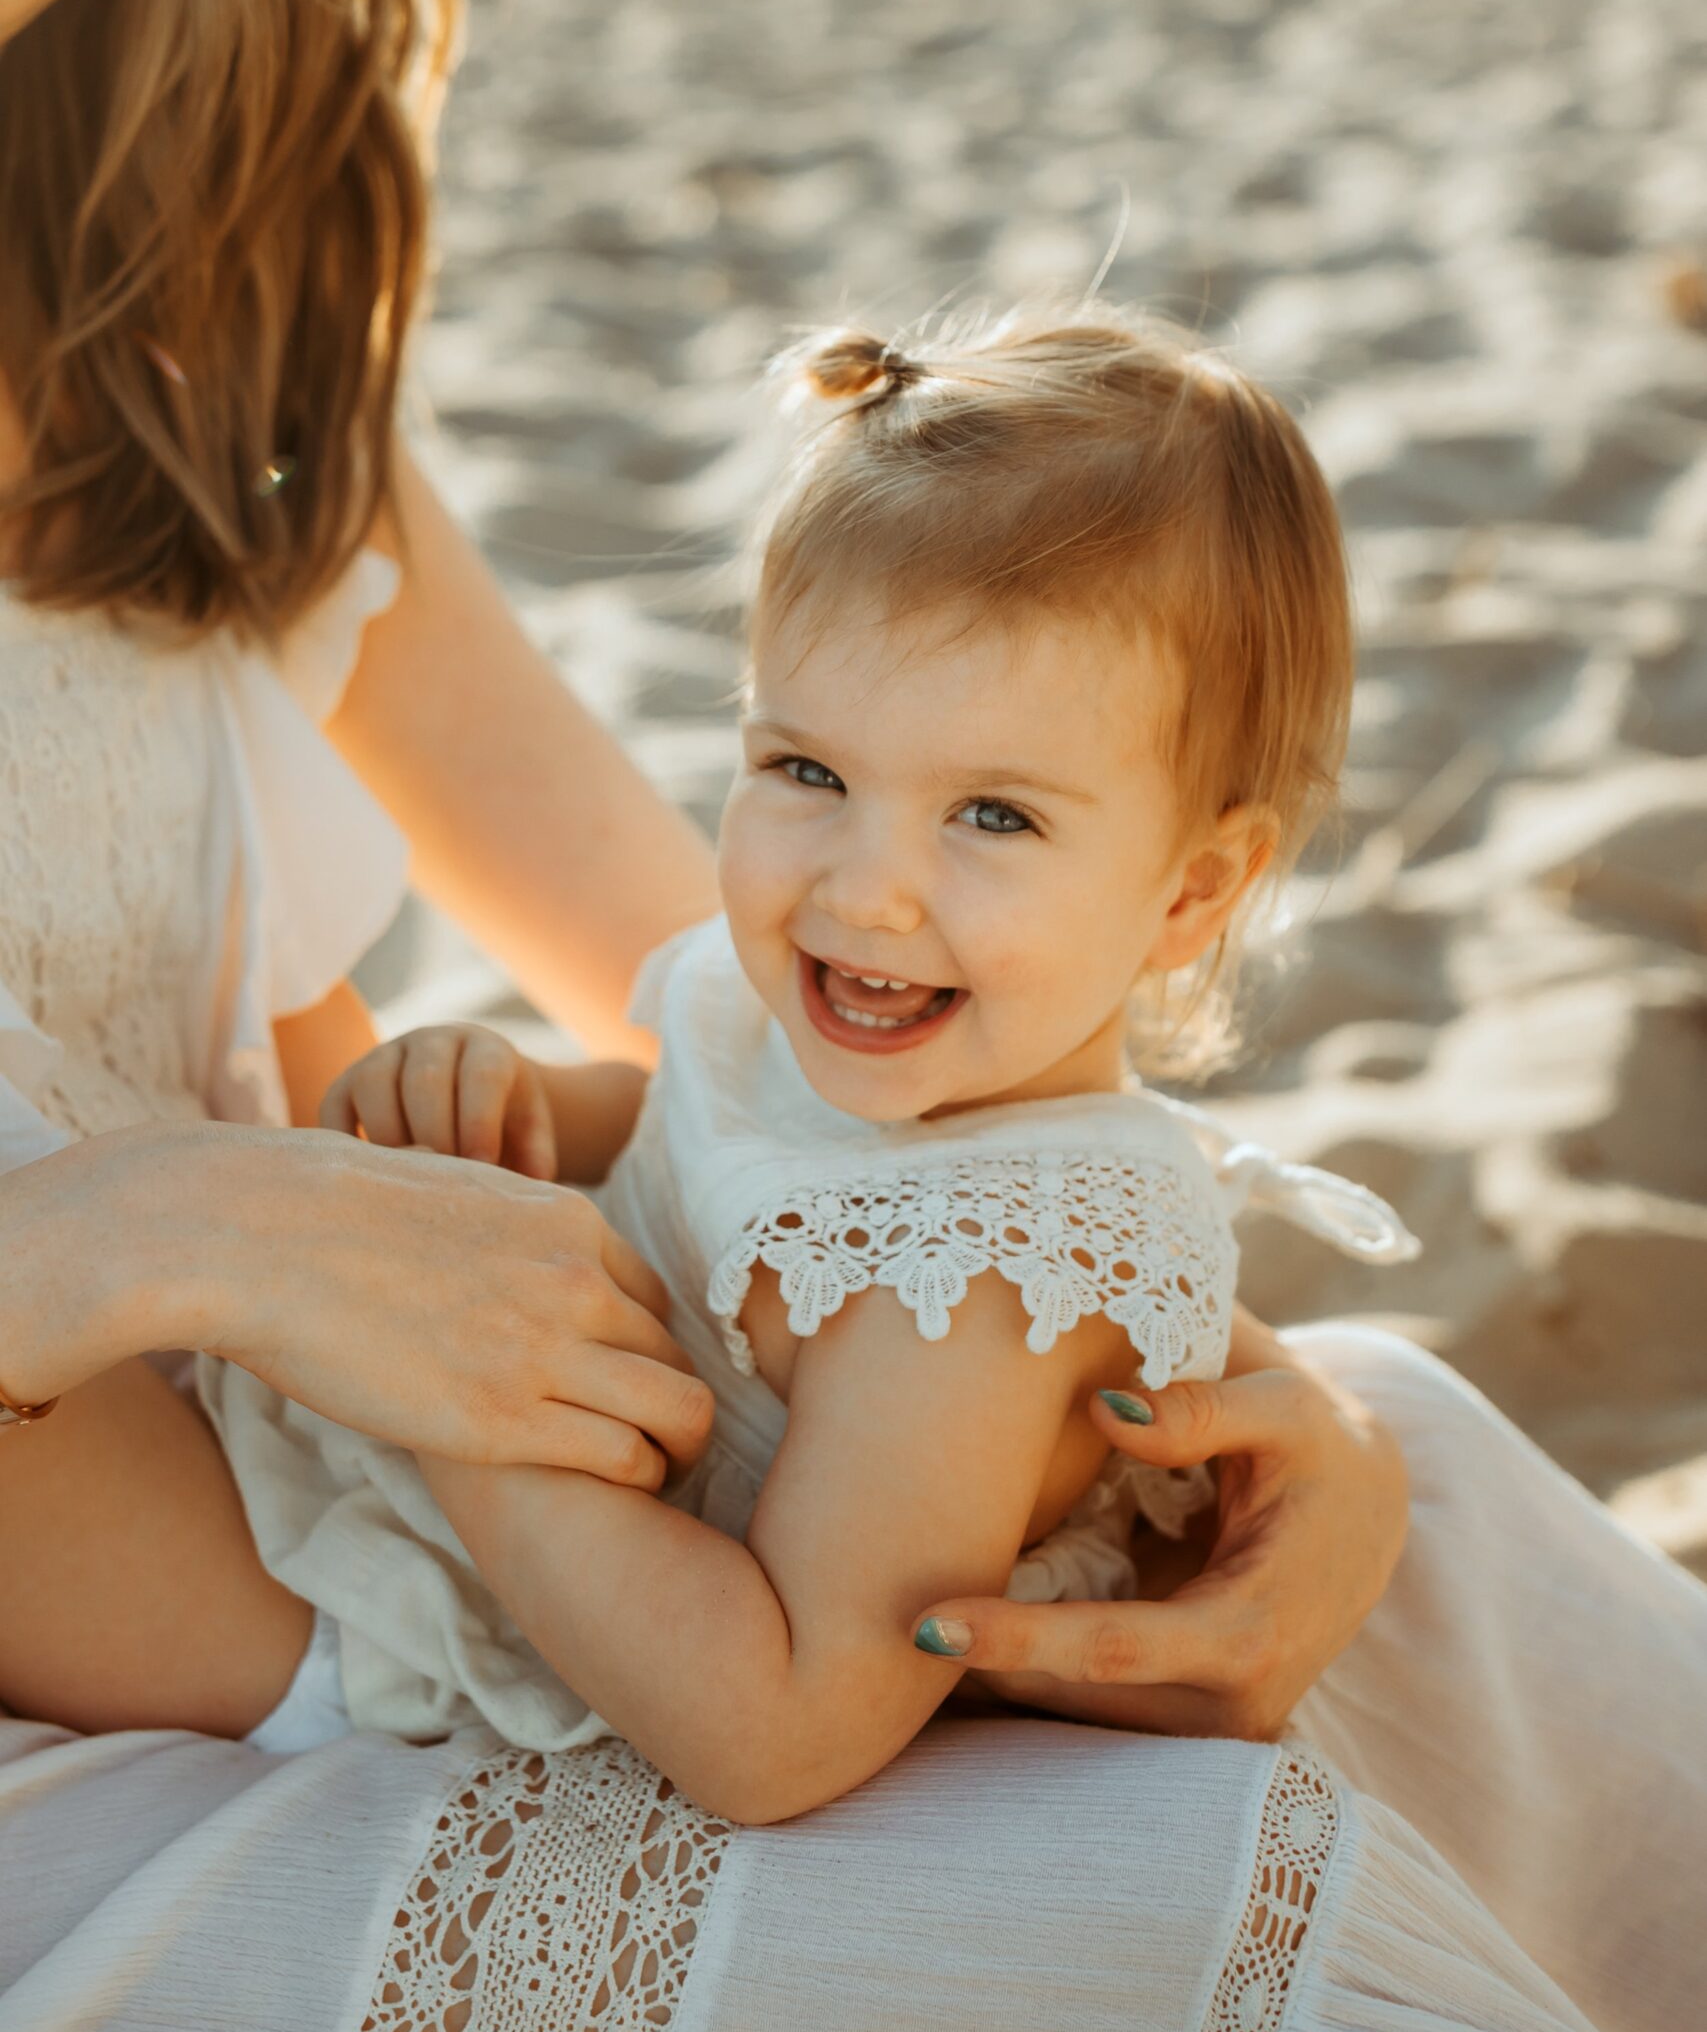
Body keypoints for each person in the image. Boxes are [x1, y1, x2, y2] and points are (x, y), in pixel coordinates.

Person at [3, 0, 1707, 2032]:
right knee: (1180, 1955)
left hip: (372, 1516)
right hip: (186, 1690)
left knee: (1427, 1504)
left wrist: (1204, 1387)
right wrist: (190, 1231)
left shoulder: (183, 389)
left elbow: (811, 1017)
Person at [183, 311, 1425, 1817]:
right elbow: (695, 1133)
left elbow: (772, 1729)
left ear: (1191, 893)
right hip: (381, 1476)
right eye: (807, 772)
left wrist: (450, 1406)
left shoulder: (974, 1294)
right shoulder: (835, 1010)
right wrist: (512, 1110)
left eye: (995, 817)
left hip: (449, 1641)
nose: (861, 891)